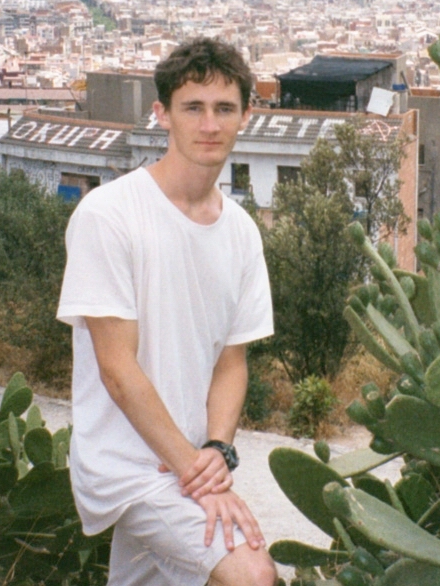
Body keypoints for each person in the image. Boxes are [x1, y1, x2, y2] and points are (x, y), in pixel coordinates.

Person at [58, 38, 277, 586]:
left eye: (225, 108)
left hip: (191, 462)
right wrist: (191, 467)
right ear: (162, 115)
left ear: (245, 116)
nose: (210, 124)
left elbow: (232, 360)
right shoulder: (108, 215)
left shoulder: (242, 232)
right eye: (193, 107)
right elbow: (116, 366)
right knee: (252, 574)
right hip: (128, 466)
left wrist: (217, 450)